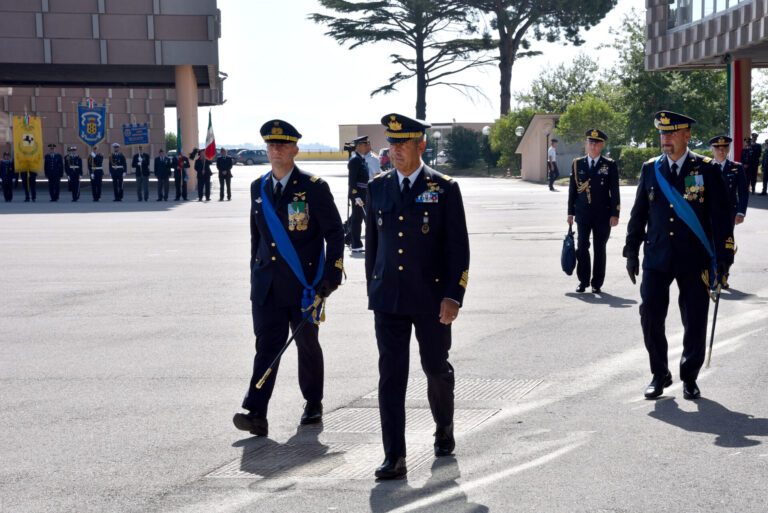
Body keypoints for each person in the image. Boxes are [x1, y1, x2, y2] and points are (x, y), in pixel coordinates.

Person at [365, 113, 470, 480]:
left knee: (435, 369)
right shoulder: (377, 188)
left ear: (420, 146)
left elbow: (458, 248)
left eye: (402, 143)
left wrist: (453, 296)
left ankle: (443, 430)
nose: (394, 150)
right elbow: (375, 248)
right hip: (389, 300)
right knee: (391, 376)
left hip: (430, 298)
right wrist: (373, 292)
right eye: (391, 143)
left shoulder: (443, 188)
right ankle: (394, 455)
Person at [233, 119, 344, 438]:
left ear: (295, 149)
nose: (276, 150)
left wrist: (331, 275)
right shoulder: (259, 187)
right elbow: (257, 239)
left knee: (307, 344)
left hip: (304, 284)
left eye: (282, 145)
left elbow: (335, 233)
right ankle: (256, 411)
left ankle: (313, 402)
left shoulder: (314, 187)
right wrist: (255, 277)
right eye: (271, 145)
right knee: (266, 345)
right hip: (267, 286)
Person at [623, 111, 734, 401]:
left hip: (693, 257)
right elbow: (639, 214)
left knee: (695, 318)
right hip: (657, 256)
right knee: (650, 315)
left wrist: (724, 256)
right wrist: (631, 250)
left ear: (687, 136)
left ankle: (689, 376)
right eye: (663, 134)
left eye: (672, 134)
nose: (666, 139)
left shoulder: (707, 169)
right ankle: (659, 374)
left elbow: (722, 217)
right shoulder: (651, 169)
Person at [567, 129, 620, 294]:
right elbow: (572, 191)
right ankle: (583, 281)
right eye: (590, 142)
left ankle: (597, 282)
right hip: (583, 213)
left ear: (602, 145)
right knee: (582, 247)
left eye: (596, 143)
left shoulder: (609, 165)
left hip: (602, 214)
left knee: (599, 248)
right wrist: (570, 212)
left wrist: (615, 214)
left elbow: (614, 191)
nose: (592, 145)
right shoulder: (577, 164)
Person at [709, 135, 748, 226]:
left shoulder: (737, 167)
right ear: (712, 150)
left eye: (724, 148)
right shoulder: (705, 167)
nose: (721, 151)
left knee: (727, 239)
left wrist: (741, 212)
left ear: (728, 149)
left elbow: (743, 192)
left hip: (730, 211)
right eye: (717, 148)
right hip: (710, 212)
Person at [347, 135, 372, 253]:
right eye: (365, 144)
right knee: (358, 219)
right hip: (359, 194)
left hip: (364, 192)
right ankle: (356, 244)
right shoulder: (355, 160)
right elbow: (352, 180)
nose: (368, 146)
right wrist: (355, 195)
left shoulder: (360, 158)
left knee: (359, 218)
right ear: (358, 146)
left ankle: (352, 241)